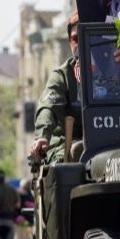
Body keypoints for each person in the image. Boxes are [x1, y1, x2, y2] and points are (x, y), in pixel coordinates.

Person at [30, 12, 83, 166]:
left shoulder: (114, 72)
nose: (81, 44)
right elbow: (48, 107)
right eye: (76, 39)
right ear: (69, 42)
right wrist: (43, 136)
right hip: (67, 143)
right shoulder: (62, 75)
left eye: (88, 37)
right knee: (68, 160)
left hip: (107, 142)